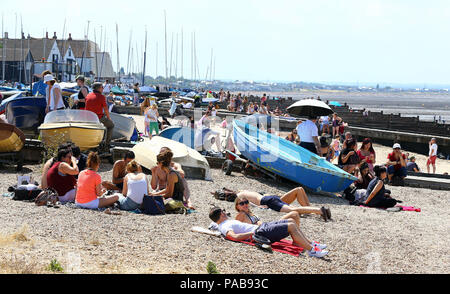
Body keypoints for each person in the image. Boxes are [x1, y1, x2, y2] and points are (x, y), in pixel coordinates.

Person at [209, 207, 329, 258]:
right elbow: (233, 236)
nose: (225, 212)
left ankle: (310, 244)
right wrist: (251, 235)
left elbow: (215, 225)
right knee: (291, 225)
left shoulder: (223, 223)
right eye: (222, 211)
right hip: (259, 232)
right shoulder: (224, 226)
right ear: (220, 215)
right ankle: (311, 251)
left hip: (261, 227)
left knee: (292, 219)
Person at [236, 188, 331, 221]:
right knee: (298, 190)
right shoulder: (249, 192)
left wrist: (258, 207)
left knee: (292, 210)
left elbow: (248, 204)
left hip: (268, 201)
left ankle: (319, 210)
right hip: (273, 198)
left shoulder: (240, 195)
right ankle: (312, 210)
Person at [85, 82, 115, 148]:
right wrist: (109, 118)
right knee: (111, 125)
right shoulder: (101, 97)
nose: (103, 88)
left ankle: (100, 140)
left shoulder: (88, 95)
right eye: (102, 87)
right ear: (98, 88)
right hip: (98, 118)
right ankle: (107, 144)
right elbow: (106, 109)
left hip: (88, 118)